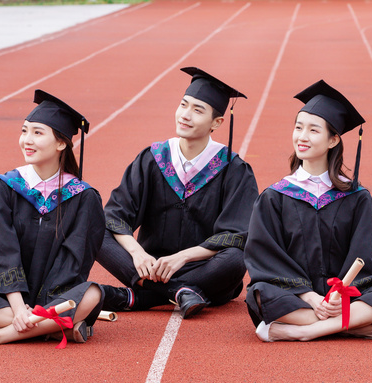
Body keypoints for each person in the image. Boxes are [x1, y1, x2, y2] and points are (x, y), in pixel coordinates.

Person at [245, 80, 372, 342]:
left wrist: (338, 296)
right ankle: (356, 325)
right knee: (260, 294)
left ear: (333, 139)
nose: (302, 137)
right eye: (298, 127)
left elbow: (364, 256)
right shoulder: (275, 197)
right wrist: (311, 297)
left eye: (313, 130)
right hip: (296, 297)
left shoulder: (357, 198)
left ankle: (305, 331)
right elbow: (266, 257)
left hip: (340, 297)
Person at [97, 67, 258, 318]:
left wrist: (182, 258)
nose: (185, 115)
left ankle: (142, 295)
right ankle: (179, 291)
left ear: (217, 122)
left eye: (197, 110)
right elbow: (116, 216)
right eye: (184, 105)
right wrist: (137, 253)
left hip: (204, 268)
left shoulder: (233, 169)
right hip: (150, 265)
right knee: (95, 231)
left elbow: (236, 235)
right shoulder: (153, 158)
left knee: (235, 258)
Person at [0, 89, 104, 346]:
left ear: (61, 143)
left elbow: (74, 260)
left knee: (93, 294)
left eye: (37, 133)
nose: (27, 140)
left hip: (54, 297)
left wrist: (43, 304)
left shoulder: (83, 197)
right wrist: (20, 308)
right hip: (6, 297)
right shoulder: (4, 186)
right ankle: (53, 328)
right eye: (24, 131)